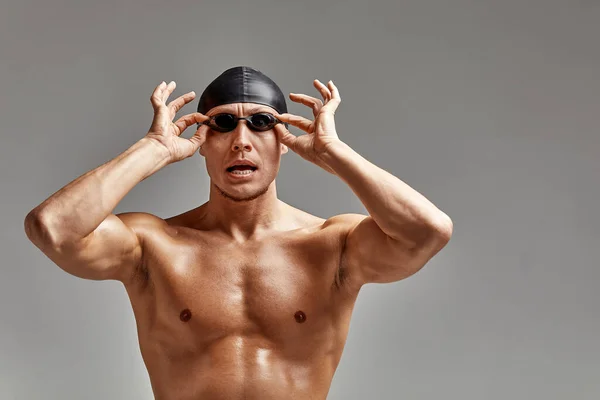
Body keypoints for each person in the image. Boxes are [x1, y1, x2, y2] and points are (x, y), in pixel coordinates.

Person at [24, 66, 453, 400]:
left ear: (284, 140)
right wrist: (152, 149)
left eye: (262, 123)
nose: (241, 141)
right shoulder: (151, 247)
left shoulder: (331, 245)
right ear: (201, 141)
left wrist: (333, 152)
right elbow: (53, 228)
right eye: (224, 123)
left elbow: (428, 232)